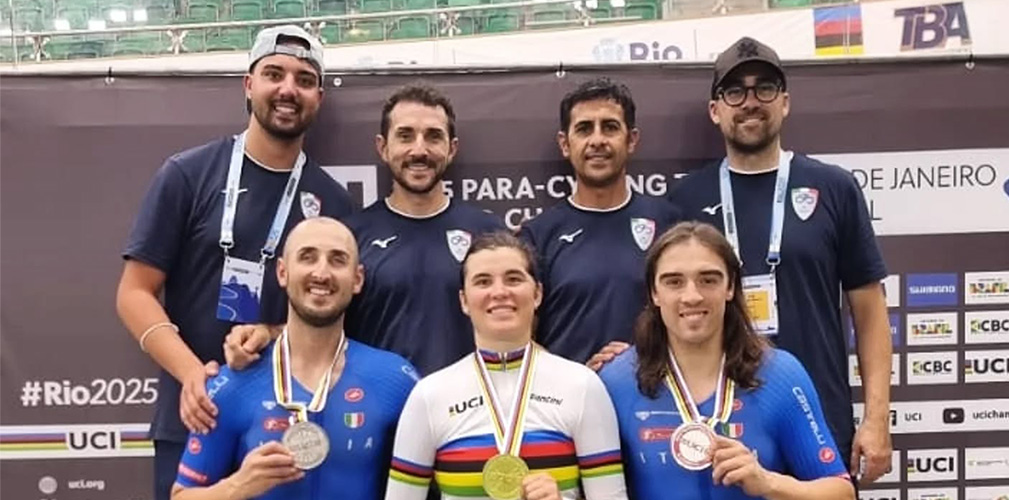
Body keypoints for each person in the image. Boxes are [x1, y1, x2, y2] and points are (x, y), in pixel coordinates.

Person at [114, 25, 355, 500]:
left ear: (319, 98)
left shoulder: (333, 201)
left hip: (291, 426)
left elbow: (339, 319)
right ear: (248, 84)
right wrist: (192, 374)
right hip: (197, 412)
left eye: (304, 80)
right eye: (274, 74)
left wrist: (270, 331)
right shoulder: (188, 173)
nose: (288, 89)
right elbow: (133, 293)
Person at [664, 36, 893, 484]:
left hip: (816, 412)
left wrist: (877, 418)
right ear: (715, 110)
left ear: (784, 103)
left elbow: (869, 311)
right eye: (735, 92)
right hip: (718, 425)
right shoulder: (685, 199)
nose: (750, 102)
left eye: (764, 88)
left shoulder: (834, 188)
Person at [225, 84, 505, 377]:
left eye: (433, 137)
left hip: (467, 401)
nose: (419, 150)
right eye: (405, 136)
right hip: (374, 401)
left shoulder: (489, 235)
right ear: (383, 147)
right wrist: (267, 334)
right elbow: (317, 323)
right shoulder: (350, 237)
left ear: (452, 149)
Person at [599, 222, 855, 500]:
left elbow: (842, 493)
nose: (692, 296)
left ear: (730, 286)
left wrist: (768, 482)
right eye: (674, 282)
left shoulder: (780, 375)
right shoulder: (616, 381)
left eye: (708, 280)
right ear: (654, 292)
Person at [171, 217, 417, 500]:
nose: (321, 273)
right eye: (307, 257)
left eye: (337, 260)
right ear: (282, 272)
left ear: (357, 279)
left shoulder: (395, 379)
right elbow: (180, 496)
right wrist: (237, 486)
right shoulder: (232, 384)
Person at [386, 232, 628, 500]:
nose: (500, 292)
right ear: (464, 300)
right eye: (483, 281)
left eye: (513, 279)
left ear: (537, 294)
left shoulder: (582, 386)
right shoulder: (430, 395)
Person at [518, 78, 682, 365]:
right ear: (565, 144)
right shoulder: (537, 236)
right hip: (568, 392)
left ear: (631, 140)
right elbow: (519, 336)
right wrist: (578, 378)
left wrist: (633, 365)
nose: (597, 141)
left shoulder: (670, 224)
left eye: (610, 127)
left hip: (657, 387)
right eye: (584, 129)